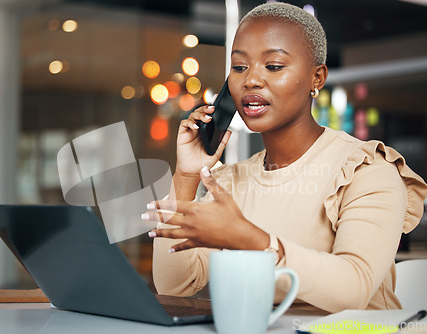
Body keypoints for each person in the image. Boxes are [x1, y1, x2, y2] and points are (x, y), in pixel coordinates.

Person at [142, 2, 427, 313]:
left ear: (317, 78)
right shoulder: (230, 182)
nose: (251, 80)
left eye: (273, 66)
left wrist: (251, 240)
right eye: (239, 67)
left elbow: (354, 290)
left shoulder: (366, 169)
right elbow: (176, 286)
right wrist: (186, 177)